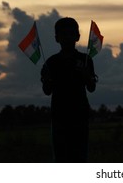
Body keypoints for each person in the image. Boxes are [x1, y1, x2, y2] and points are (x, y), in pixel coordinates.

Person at [41, 17, 97, 162]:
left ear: (77, 37)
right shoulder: (51, 63)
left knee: (80, 155)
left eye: (71, 34)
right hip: (59, 115)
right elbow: (47, 90)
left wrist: (86, 75)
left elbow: (92, 87)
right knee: (61, 157)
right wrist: (47, 79)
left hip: (80, 115)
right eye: (63, 35)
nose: (67, 38)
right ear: (56, 38)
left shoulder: (85, 60)